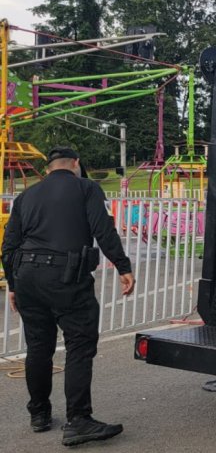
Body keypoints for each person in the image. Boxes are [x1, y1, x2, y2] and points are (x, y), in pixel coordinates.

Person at [2, 147, 136, 446]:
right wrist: (123, 267)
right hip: (66, 278)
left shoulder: (25, 196)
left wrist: (13, 284)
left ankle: (39, 414)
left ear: (48, 168)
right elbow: (104, 230)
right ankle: (79, 420)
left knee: (38, 347)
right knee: (79, 345)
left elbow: (9, 245)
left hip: (28, 277)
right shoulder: (86, 188)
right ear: (76, 163)